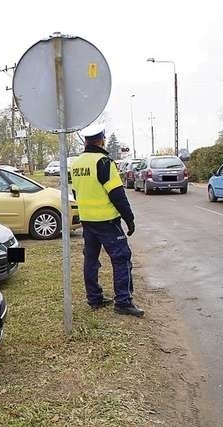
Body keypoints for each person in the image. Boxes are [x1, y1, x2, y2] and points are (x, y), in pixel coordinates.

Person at [71, 123, 144, 317]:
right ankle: (123, 301)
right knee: (121, 259)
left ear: (86, 141)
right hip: (107, 221)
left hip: (87, 221)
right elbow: (117, 194)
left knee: (91, 260)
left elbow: (75, 191)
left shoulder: (76, 164)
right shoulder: (104, 162)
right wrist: (129, 219)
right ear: (102, 139)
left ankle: (94, 298)